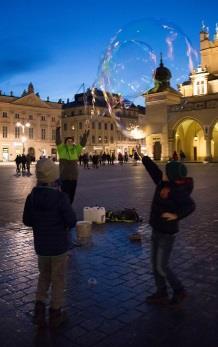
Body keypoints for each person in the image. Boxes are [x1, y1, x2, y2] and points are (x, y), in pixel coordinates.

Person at [23, 158, 76, 328]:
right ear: (55, 177)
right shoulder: (61, 197)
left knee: (44, 276)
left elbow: (27, 221)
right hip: (59, 246)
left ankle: (39, 310)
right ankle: (55, 312)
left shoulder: (31, 197)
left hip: (42, 247)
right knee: (58, 279)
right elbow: (72, 220)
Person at [137, 148, 195, 305]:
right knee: (155, 265)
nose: (162, 172)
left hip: (167, 234)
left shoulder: (178, 190)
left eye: (166, 171)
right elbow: (152, 169)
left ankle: (179, 290)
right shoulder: (162, 182)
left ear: (172, 176)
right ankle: (161, 292)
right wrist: (143, 157)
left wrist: (176, 216)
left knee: (162, 266)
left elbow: (190, 206)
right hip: (156, 229)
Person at [56, 126, 89, 204]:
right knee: (64, 194)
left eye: (71, 141)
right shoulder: (62, 149)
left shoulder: (76, 149)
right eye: (68, 141)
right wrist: (57, 131)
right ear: (65, 142)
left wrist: (85, 136)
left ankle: (69, 207)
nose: (70, 142)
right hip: (64, 176)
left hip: (74, 177)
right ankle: (65, 207)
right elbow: (58, 141)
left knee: (72, 194)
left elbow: (82, 144)